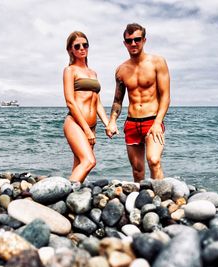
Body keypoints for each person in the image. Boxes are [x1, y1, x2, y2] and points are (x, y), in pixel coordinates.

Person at [106, 23, 170, 182]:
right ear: (124, 43)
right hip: (132, 123)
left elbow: (165, 96)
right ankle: (142, 202)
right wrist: (112, 121)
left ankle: (160, 198)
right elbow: (117, 101)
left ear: (144, 40)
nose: (133, 43)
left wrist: (158, 123)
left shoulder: (157, 62)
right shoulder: (121, 70)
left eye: (137, 39)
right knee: (137, 170)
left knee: (154, 161)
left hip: (152, 121)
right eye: (129, 41)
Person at [63, 31, 109, 183]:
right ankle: (64, 192)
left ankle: (70, 202)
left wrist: (107, 123)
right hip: (76, 123)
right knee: (89, 161)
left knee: (79, 164)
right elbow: (70, 101)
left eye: (85, 45)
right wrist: (87, 130)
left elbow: (98, 103)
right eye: (77, 46)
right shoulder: (70, 70)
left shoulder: (93, 73)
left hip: (92, 125)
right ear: (71, 50)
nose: (82, 48)